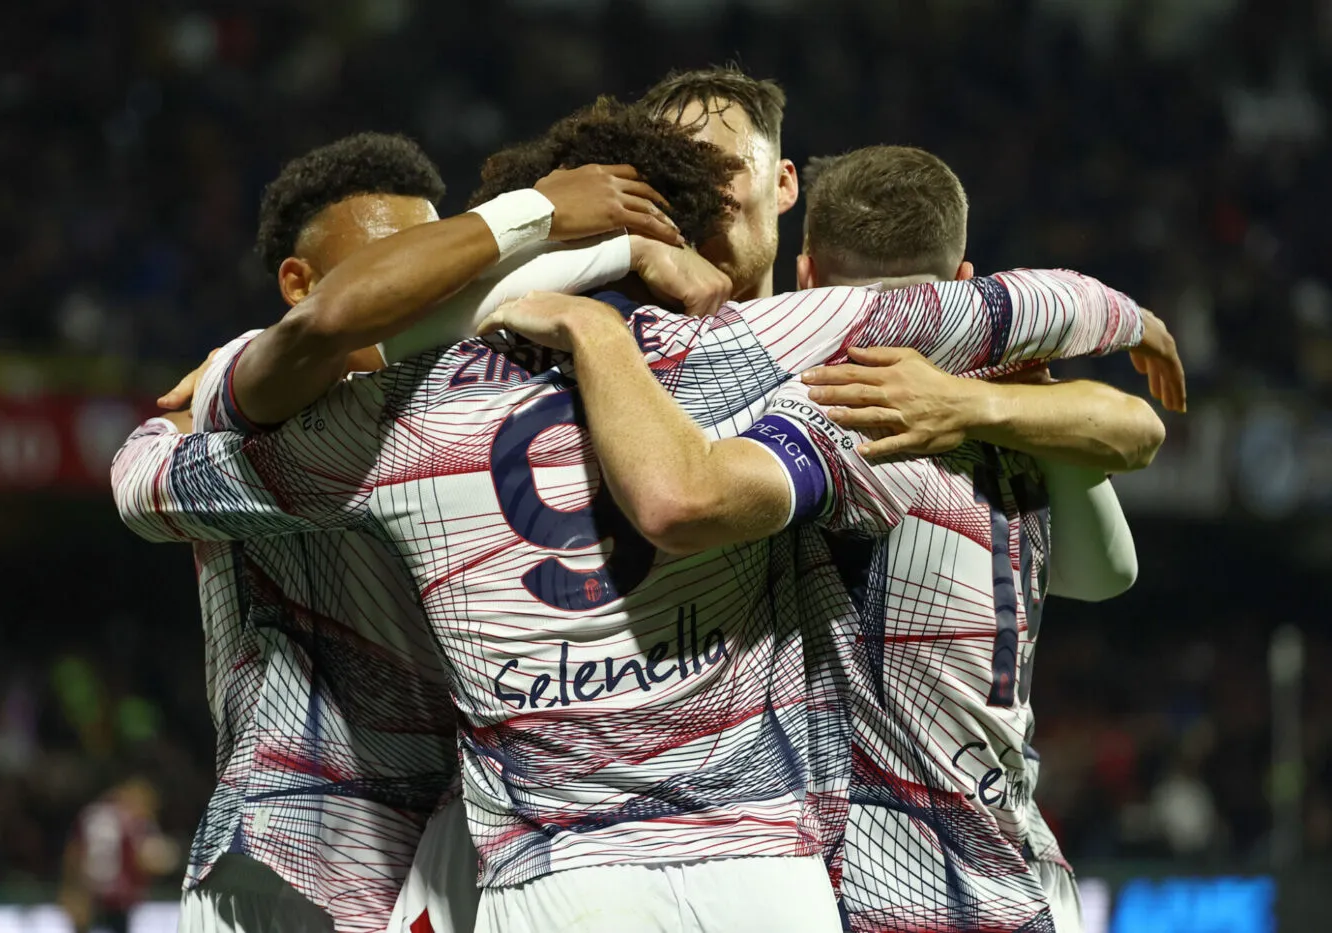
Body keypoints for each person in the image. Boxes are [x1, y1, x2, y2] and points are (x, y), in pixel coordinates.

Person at [113, 100, 1157, 933]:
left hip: (542, 875)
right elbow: (1006, 309)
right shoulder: (766, 357)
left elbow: (153, 482)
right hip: (771, 871)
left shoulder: (395, 419)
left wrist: (210, 394)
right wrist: (1120, 325)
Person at [489, 145, 1178, 933]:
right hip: (1022, 872)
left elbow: (687, 493)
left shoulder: (836, 403)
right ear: (961, 280)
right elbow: (1108, 569)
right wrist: (1007, 403)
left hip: (890, 890)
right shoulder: (1015, 405)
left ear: (807, 274)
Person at [149, 130, 689, 933]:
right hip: (293, 860)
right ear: (300, 283)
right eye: (402, 265)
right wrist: (544, 216)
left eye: (444, 263)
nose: (429, 288)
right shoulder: (243, 399)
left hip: (453, 857)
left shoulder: (462, 399)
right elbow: (330, 334)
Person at [639, 65, 797, 301]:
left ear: (783, 185)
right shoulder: (596, 320)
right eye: (678, 176)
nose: (705, 196)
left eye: (725, 170)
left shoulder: (842, 320)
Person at [60, 776, 178, 933]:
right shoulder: (134, 822)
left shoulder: (93, 814)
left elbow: (74, 852)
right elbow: (146, 860)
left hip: (90, 894)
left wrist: (71, 889)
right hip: (113, 899)